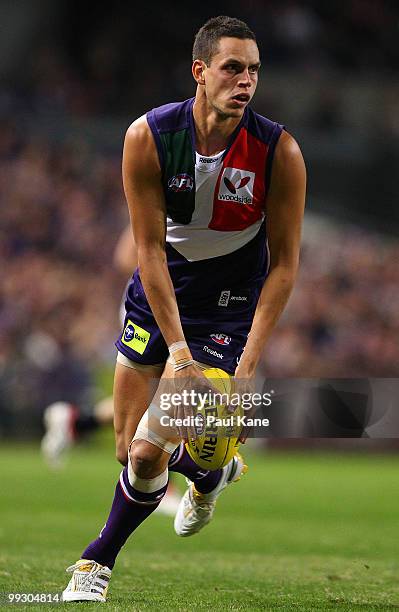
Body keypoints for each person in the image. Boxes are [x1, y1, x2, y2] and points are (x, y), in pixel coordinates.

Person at [61, 15, 306, 602]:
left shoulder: (279, 152)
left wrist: (246, 369)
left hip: (226, 310)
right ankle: (210, 471)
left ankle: (94, 564)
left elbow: (285, 265)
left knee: (151, 446)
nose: (245, 81)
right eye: (232, 68)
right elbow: (146, 249)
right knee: (131, 454)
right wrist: (175, 348)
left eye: (253, 71)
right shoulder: (147, 137)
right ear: (200, 72)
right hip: (159, 297)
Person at [41, 224, 182, 515]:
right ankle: (165, 483)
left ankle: (77, 421)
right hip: (154, 304)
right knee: (171, 394)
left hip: (181, 307)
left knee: (160, 396)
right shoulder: (164, 204)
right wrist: (167, 278)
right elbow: (125, 257)